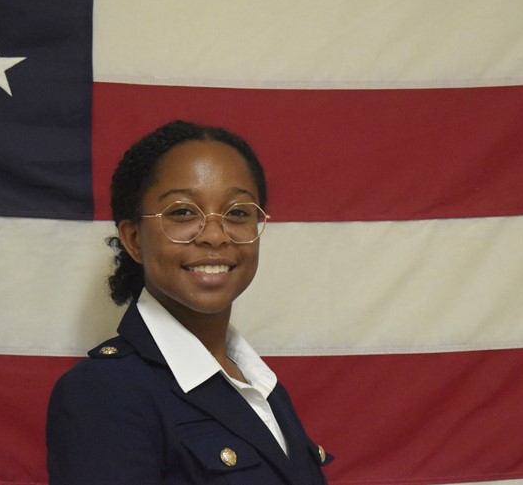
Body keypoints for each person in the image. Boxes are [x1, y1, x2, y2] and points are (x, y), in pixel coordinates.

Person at [46, 120, 332, 484]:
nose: (214, 235)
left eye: (238, 213)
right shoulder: (104, 393)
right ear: (134, 239)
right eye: (182, 212)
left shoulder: (258, 383)